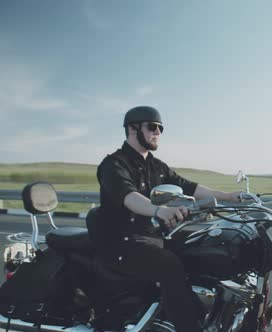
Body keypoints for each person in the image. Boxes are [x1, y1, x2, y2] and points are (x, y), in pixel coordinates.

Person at [95, 105, 241, 332]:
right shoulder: (114, 164)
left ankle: (207, 312)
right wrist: (158, 210)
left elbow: (188, 187)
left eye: (161, 128)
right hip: (122, 242)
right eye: (153, 127)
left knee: (203, 247)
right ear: (133, 128)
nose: (158, 133)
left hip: (152, 236)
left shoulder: (156, 166)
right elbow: (128, 196)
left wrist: (229, 197)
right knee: (169, 266)